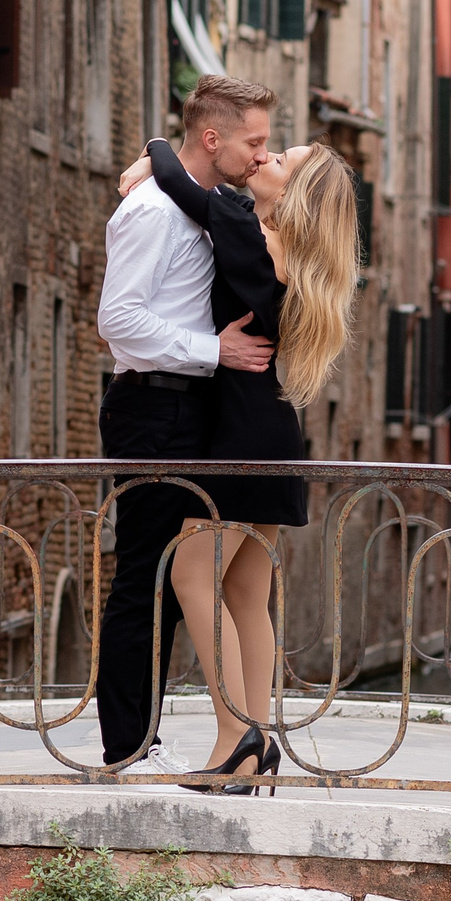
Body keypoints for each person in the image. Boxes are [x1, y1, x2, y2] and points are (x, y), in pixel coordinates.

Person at [117, 135, 359, 790]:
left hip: (238, 441)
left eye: (280, 160)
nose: (266, 157)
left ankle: (233, 735)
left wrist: (154, 149)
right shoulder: (294, 258)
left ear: (295, 195)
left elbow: (179, 179)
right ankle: (258, 744)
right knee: (248, 596)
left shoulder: (245, 233)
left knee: (192, 578)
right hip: (274, 438)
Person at [93, 75, 278, 773]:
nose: (261, 156)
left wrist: (154, 152)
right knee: (142, 576)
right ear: (213, 138)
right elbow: (120, 320)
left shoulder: (212, 205)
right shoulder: (152, 213)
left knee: (173, 578)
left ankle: (157, 736)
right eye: (253, 142)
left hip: (193, 408)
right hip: (153, 405)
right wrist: (214, 348)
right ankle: (128, 746)